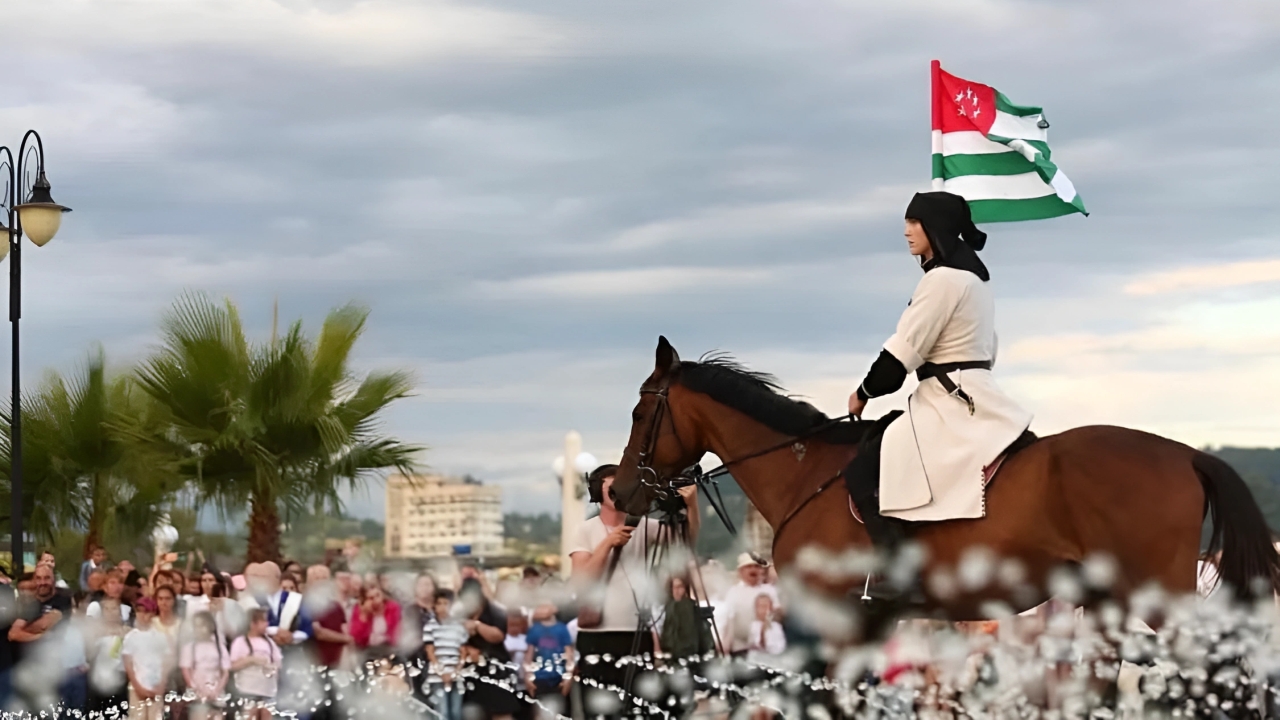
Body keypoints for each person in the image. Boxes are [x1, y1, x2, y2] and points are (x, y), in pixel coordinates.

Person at [844, 191, 1032, 556]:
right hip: (978, 390)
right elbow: (989, 347)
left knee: (861, 472)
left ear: (935, 227)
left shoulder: (942, 280)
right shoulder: (976, 281)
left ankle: (897, 574)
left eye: (914, 222)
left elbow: (902, 354)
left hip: (947, 399)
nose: (906, 231)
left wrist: (864, 392)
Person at [569, 463, 699, 719]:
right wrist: (607, 544)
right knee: (600, 712)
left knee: (641, 711)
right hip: (598, 635)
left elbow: (686, 544)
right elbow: (581, 580)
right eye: (612, 487)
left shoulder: (645, 526)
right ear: (597, 493)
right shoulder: (585, 530)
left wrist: (692, 506)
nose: (620, 491)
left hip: (637, 634)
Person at [9, 564, 73, 711]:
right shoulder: (30, 604)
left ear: (53, 580)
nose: (42, 582)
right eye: (38, 578)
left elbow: (45, 624)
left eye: (46, 578)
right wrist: (41, 636)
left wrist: (25, 629)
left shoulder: (63, 600)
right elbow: (13, 634)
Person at [717, 553, 781, 657]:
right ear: (741, 571)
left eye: (756, 566)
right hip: (741, 648)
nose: (753, 570)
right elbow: (729, 621)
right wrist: (725, 644)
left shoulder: (770, 591)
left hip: (767, 650)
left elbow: (778, 616)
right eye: (749, 567)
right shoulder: (733, 592)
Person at [523, 600, 573, 719]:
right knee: (540, 712)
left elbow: (569, 653)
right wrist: (527, 676)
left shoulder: (562, 629)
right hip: (540, 678)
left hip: (558, 677)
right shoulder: (534, 630)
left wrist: (568, 676)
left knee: (559, 712)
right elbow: (529, 654)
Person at [423, 589, 468, 720]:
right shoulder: (430, 627)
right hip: (437, 676)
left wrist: (455, 672)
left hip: (456, 675)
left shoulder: (459, 627)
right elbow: (430, 651)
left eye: (446, 603)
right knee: (442, 712)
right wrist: (441, 672)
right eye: (440, 603)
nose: (443, 607)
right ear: (434, 606)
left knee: (456, 712)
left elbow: (463, 651)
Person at [122, 597, 170, 720]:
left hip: (156, 685)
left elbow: (165, 662)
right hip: (137, 686)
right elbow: (128, 665)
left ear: (153, 614)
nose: (143, 615)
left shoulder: (161, 636)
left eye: (147, 612)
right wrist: (137, 687)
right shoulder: (130, 637)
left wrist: (161, 684)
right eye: (139, 611)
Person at [229, 608, 280, 720]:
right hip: (248, 691)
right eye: (263, 621)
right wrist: (250, 660)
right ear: (252, 624)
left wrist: (272, 668)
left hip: (268, 692)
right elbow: (232, 665)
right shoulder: (240, 642)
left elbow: (278, 663)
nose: (267, 624)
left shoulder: (270, 642)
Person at [180, 611, 229, 720]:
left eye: (202, 625)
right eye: (196, 626)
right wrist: (198, 690)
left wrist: (216, 691)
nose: (199, 629)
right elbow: (186, 671)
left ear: (211, 626)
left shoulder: (220, 647)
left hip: (217, 695)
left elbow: (225, 672)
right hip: (198, 697)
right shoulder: (189, 648)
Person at [350, 583, 401, 661]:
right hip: (367, 651)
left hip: (389, 649)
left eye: (378, 595)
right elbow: (358, 639)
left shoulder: (392, 607)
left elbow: (395, 633)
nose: (376, 600)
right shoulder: (358, 610)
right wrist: (364, 616)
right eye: (371, 598)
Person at [746, 594, 785, 662]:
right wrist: (763, 629)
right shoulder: (753, 626)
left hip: (774, 661)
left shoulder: (777, 627)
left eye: (766, 606)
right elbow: (759, 646)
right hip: (757, 661)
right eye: (760, 606)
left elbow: (780, 648)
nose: (763, 610)